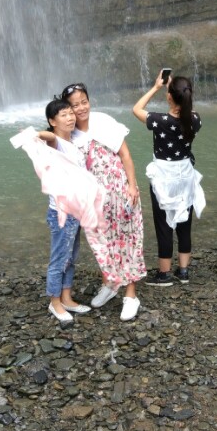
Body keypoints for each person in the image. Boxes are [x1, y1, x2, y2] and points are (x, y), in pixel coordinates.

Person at [61, 82, 146, 322]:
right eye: (74, 105)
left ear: (90, 101)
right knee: (102, 242)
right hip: (94, 199)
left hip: (120, 190)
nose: (81, 108)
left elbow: (125, 155)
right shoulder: (70, 133)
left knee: (127, 239)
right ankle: (110, 283)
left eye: (84, 102)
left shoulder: (104, 122)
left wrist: (131, 185)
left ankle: (131, 295)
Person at [132, 73, 204, 286]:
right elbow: (187, 111)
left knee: (163, 225)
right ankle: (183, 271)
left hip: (164, 178)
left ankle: (164, 274)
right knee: (184, 223)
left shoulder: (160, 121)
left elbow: (136, 109)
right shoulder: (196, 119)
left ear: (170, 97)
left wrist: (155, 87)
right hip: (185, 176)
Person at [34, 99, 94, 325]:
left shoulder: (74, 143)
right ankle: (54, 301)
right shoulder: (56, 144)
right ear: (52, 121)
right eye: (63, 115)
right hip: (61, 213)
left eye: (71, 113)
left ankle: (67, 297)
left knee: (71, 257)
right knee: (59, 258)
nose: (70, 117)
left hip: (76, 211)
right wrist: (39, 133)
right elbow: (47, 137)